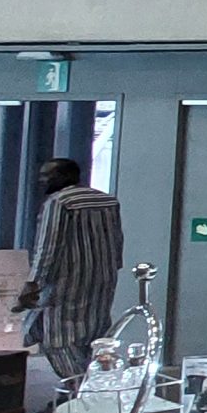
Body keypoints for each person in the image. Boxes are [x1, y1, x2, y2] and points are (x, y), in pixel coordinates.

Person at [15, 158, 123, 397]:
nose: (42, 181)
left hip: (66, 282)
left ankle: (83, 392)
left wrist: (34, 283)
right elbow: (117, 240)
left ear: (65, 176)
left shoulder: (59, 203)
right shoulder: (106, 200)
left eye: (47, 176)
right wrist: (113, 267)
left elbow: (48, 248)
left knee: (57, 340)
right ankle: (91, 388)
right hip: (103, 279)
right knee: (94, 335)